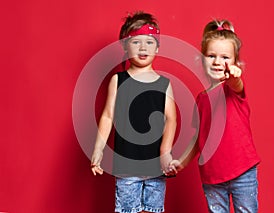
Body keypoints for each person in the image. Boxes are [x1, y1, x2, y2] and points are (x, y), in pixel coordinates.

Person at [170, 19, 261, 212]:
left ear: (235, 62)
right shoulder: (201, 99)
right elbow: (198, 138)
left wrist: (235, 75)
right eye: (211, 56)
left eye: (225, 57)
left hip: (242, 171)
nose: (218, 62)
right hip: (212, 175)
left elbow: (236, 83)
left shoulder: (232, 89)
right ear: (201, 59)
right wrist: (182, 161)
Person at [90, 11, 177, 213]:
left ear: (158, 47)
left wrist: (165, 152)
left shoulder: (164, 84)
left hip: (156, 166)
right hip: (127, 165)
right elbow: (107, 116)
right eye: (136, 42)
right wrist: (98, 149)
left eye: (149, 41)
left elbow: (171, 120)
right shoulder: (118, 81)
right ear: (125, 46)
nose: (143, 47)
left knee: (152, 210)